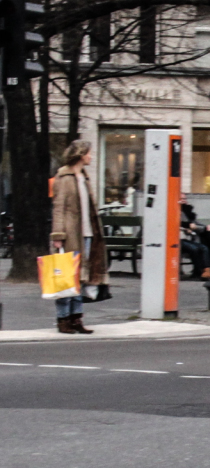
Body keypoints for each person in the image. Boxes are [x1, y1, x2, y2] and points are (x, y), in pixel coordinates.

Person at [50, 139, 108, 334]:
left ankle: (76, 318)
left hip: (87, 234)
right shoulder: (64, 176)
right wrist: (58, 234)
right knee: (67, 277)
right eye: (89, 153)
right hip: (70, 234)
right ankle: (63, 319)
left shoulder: (84, 176)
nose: (91, 156)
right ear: (81, 154)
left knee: (81, 277)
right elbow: (58, 208)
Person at [179, 194, 210, 279]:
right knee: (195, 248)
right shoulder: (178, 210)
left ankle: (207, 270)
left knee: (204, 246)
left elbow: (194, 222)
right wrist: (205, 227)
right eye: (181, 198)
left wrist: (207, 226)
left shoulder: (187, 211)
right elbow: (187, 224)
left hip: (189, 236)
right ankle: (200, 271)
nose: (183, 200)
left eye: (184, 198)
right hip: (180, 238)